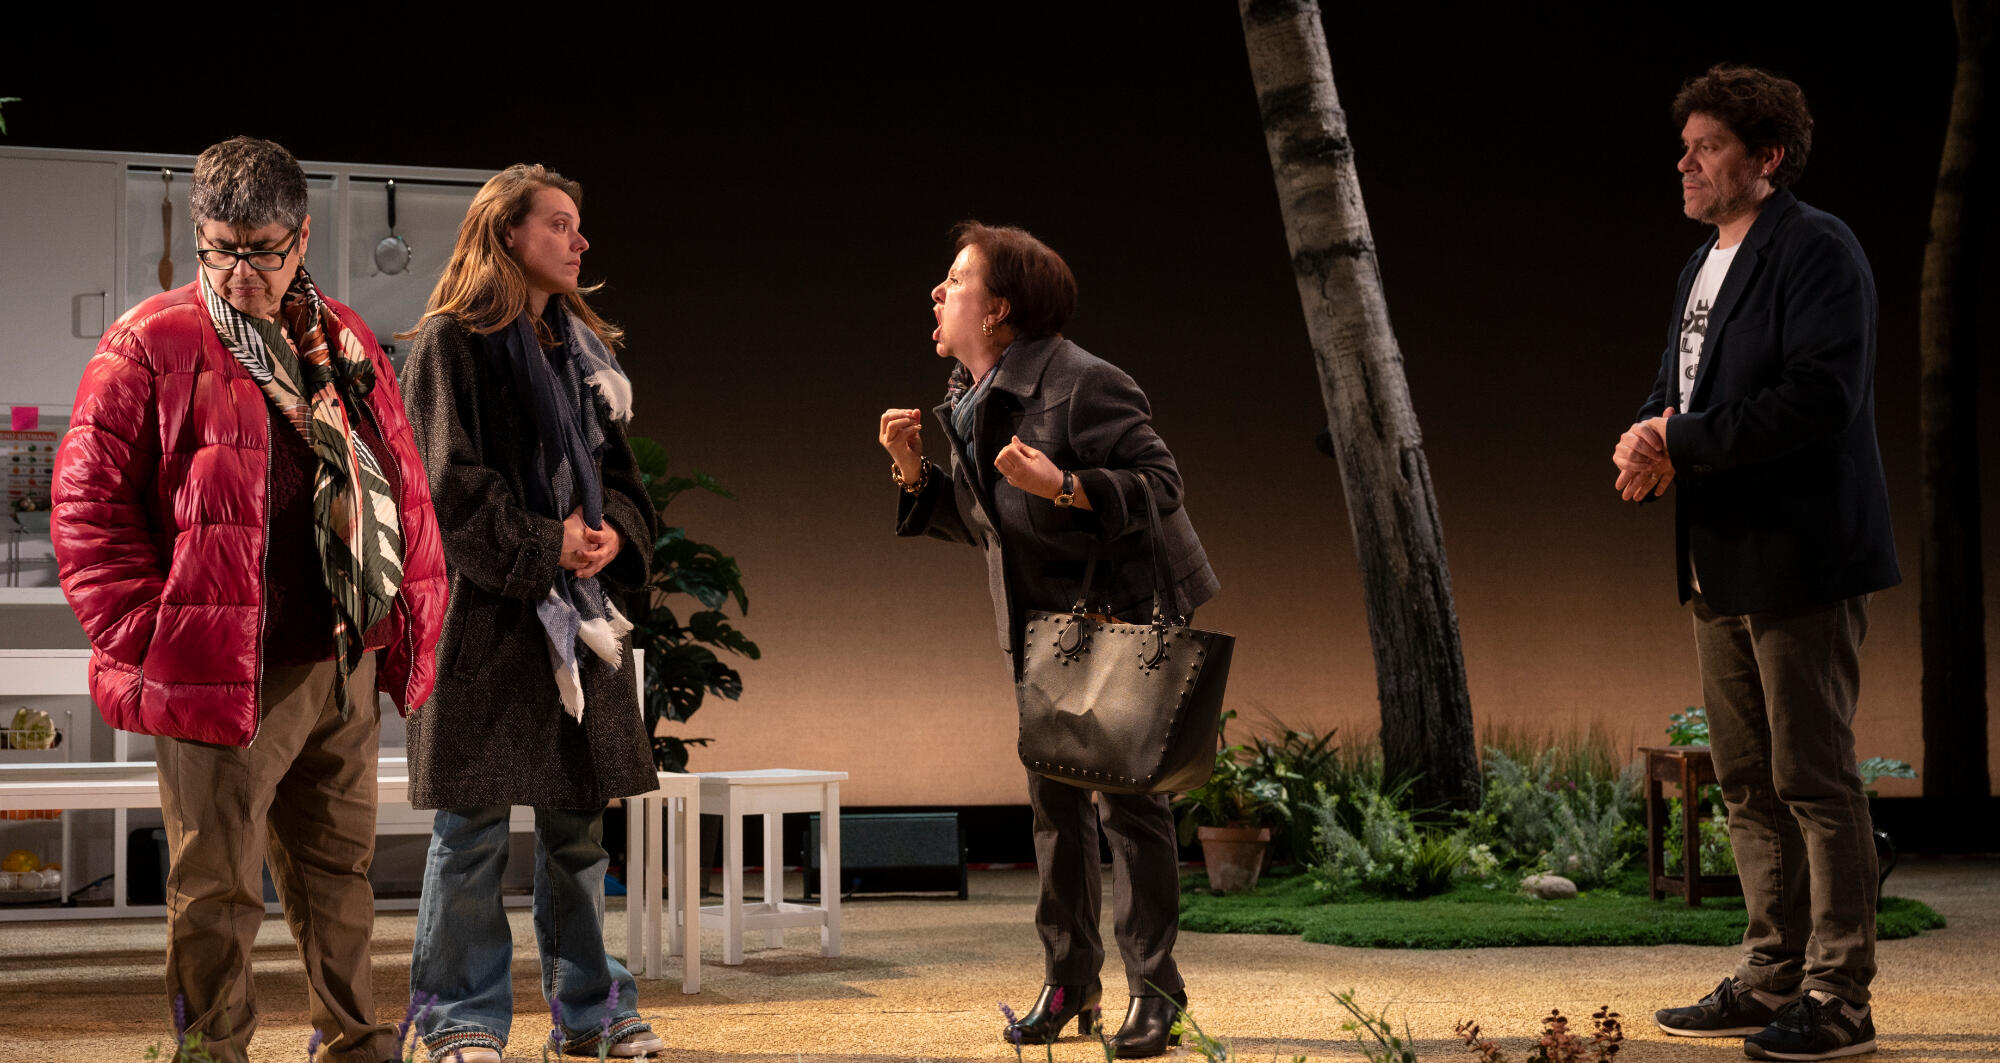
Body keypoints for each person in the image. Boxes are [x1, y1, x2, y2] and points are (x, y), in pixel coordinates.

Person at [50, 136, 448, 1063]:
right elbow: (86, 511)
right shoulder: (148, 342)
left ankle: (355, 1043)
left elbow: (401, 479)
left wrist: (405, 616)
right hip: (224, 668)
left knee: (339, 874)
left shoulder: (343, 337)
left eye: (263, 251)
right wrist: (158, 638)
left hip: (339, 654)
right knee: (216, 884)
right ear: (201, 234)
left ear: (301, 238)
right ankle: (213, 1050)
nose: (241, 273)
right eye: (221, 248)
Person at [1613, 66, 1898, 1062]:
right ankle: (1773, 971)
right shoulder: (1702, 262)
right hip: (1719, 555)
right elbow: (1679, 388)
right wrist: (1647, 437)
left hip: (1800, 553)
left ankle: (1839, 995)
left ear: (1765, 156)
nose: (1684, 163)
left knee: (1813, 776)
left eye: (1708, 147)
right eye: (1684, 146)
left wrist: (1678, 439)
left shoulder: (1816, 249)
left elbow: (1818, 395)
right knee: (1744, 778)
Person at [878, 222, 1218, 1058]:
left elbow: (1162, 484)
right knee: (1055, 808)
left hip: (1122, 612)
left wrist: (1065, 483)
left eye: (956, 279)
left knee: (1131, 808)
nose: (937, 292)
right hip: (1043, 625)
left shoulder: (1082, 382)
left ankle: (1156, 993)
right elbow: (995, 523)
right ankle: (1070, 983)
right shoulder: (971, 393)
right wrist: (914, 472)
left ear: (999, 309)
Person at [398, 164, 663, 1063]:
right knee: (470, 829)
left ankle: (589, 1007)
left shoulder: (581, 351)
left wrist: (611, 534)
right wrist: (549, 541)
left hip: (578, 622)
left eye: (578, 225)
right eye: (558, 223)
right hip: (486, 620)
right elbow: (445, 487)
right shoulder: (450, 343)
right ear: (506, 232)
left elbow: (621, 480)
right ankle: (459, 1018)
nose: (579, 241)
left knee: (577, 829)